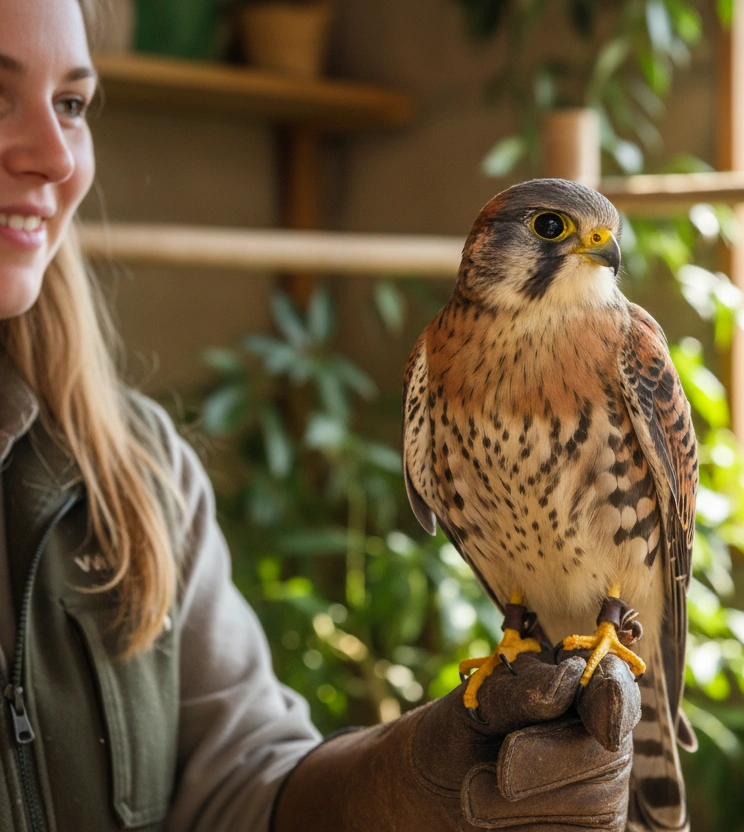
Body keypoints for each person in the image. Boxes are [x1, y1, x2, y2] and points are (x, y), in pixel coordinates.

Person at [0, 1, 639, 829]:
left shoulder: (133, 473)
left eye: (73, 105)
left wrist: (417, 780)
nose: (55, 157)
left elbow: (237, 782)